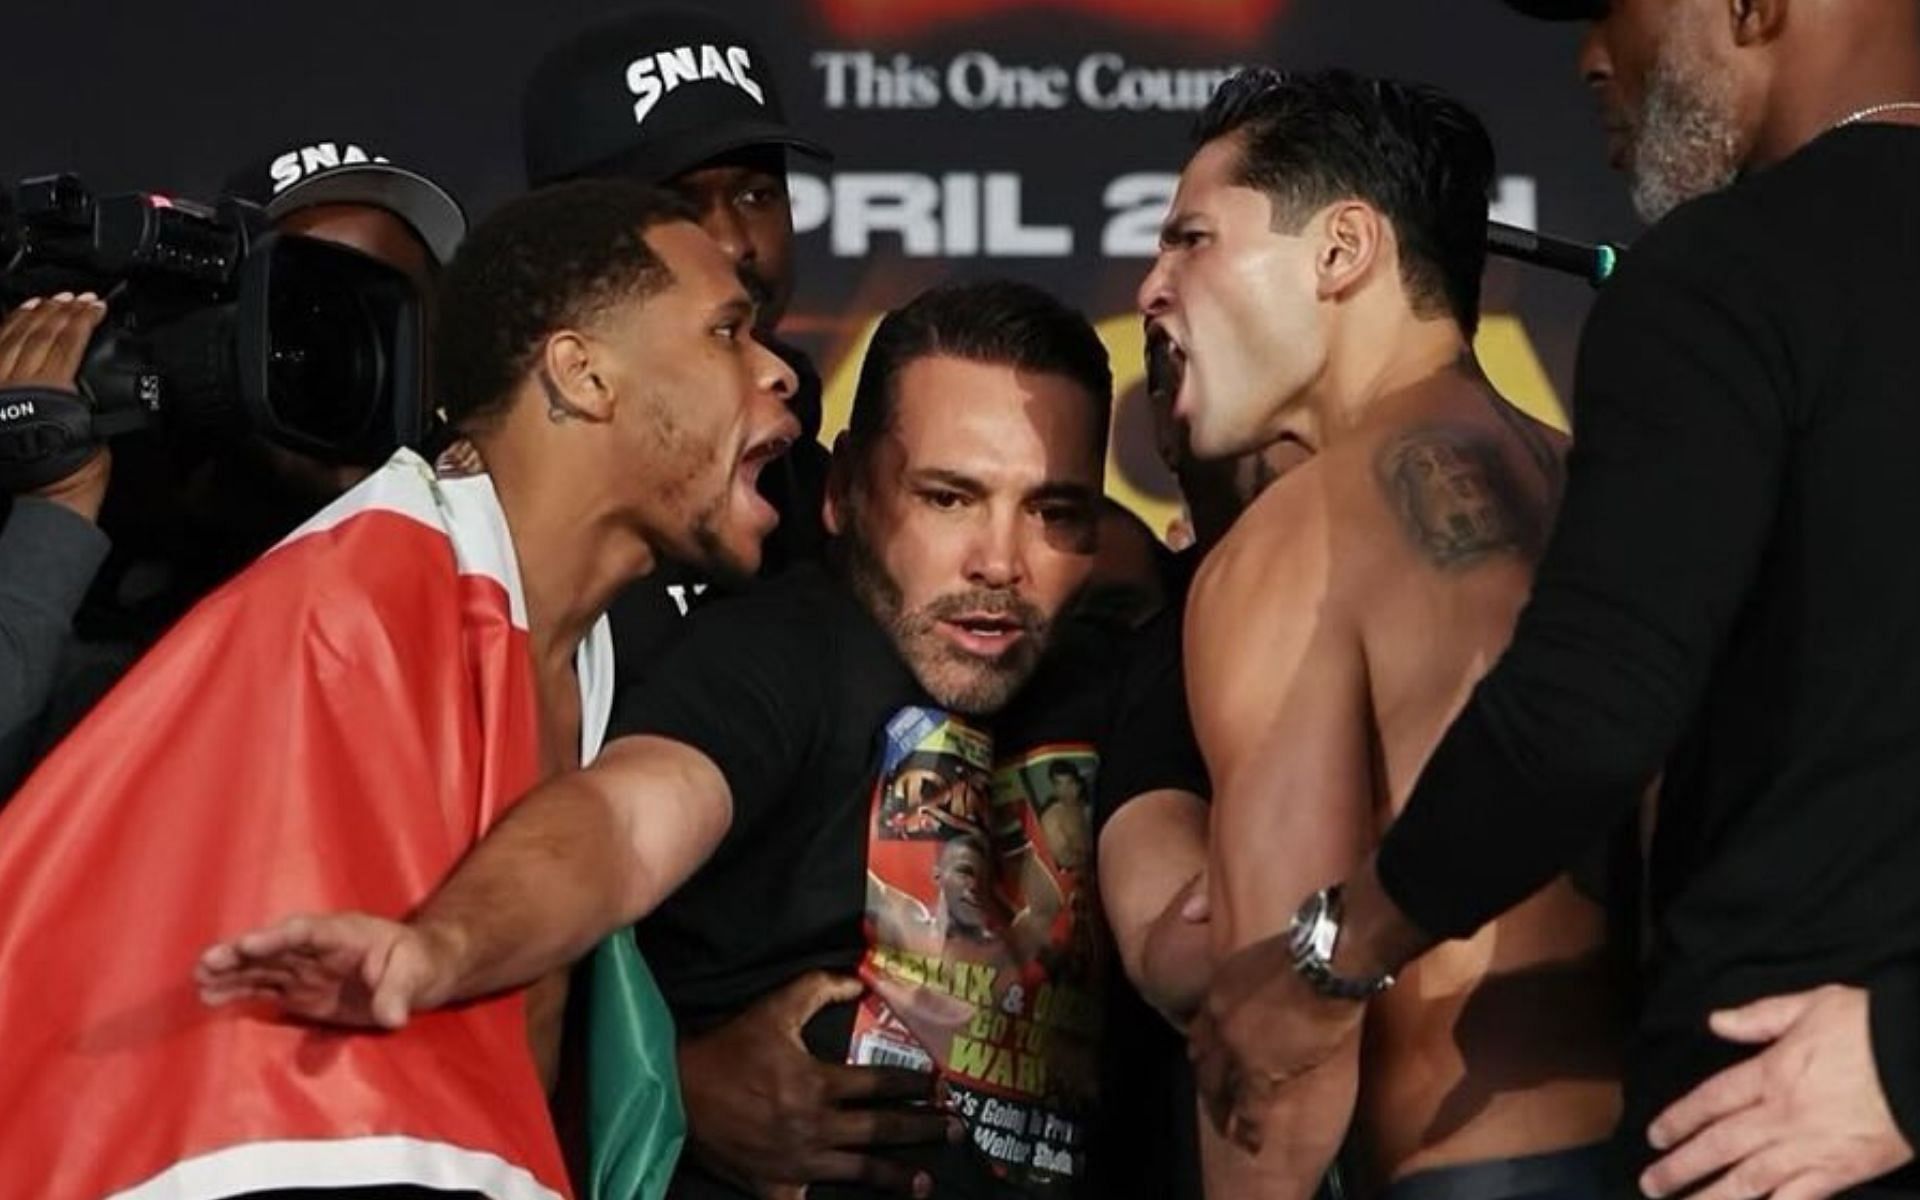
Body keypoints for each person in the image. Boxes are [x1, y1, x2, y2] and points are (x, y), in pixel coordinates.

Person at [201, 279, 1210, 1199]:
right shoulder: (783, 655)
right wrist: (437, 948)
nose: (1000, 561)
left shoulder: (1128, 684)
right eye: (948, 498)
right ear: (846, 488)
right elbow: (625, 818)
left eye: (1054, 512)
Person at [1190, 5, 1920, 1199]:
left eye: (1618, 5)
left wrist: (1321, 961)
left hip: (1774, 1143)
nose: (1595, 56)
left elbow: (1584, 712)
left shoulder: (1723, 277)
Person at [0, 179, 799, 1199]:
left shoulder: (569, 631)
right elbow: (255, 1103)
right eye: (727, 331)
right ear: (583, 374)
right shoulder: (345, 624)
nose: (778, 370)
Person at [1139, 68, 1626, 1199]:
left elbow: (1283, 1045)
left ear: (1342, 249)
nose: (1152, 289)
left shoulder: (1296, 541)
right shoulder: (1601, 486)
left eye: (1193, 240)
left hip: (1477, 1168)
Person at [0, 142, 467, 797]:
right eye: (300, 311)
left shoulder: (493, 568)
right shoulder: (108, 614)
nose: (345, 356)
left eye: (380, 311)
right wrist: (52, 511)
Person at [523, 4, 835, 678]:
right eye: (680, 205)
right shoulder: (475, 522)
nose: (732, 243)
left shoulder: (841, 508)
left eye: (757, 194)